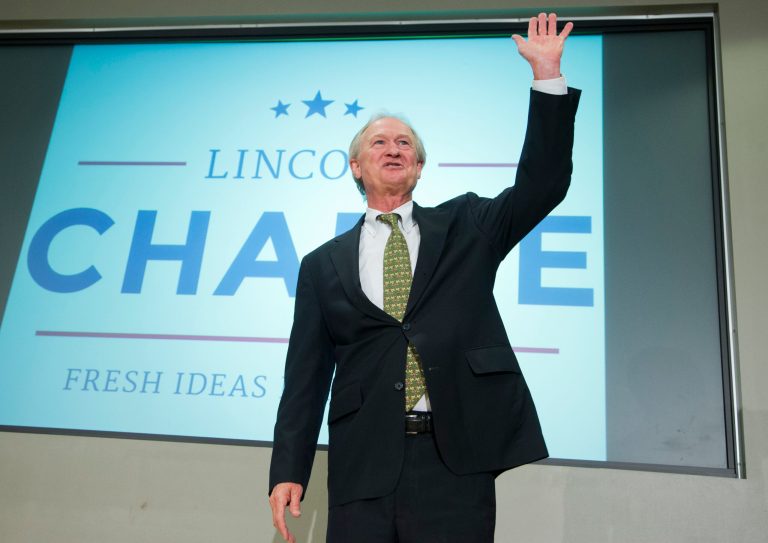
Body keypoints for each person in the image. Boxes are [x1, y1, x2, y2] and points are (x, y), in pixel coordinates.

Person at [269, 12, 579, 542]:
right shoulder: (321, 265)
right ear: (356, 166)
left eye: (405, 144)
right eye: (380, 143)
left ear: (419, 167)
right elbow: (305, 377)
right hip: (363, 464)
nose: (394, 149)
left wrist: (546, 76)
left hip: (454, 459)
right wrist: (288, 470)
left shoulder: (467, 225)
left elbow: (543, 184)